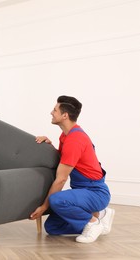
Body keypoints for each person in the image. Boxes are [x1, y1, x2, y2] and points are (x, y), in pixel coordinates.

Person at [30, 95, 115, 243]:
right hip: (82, 191)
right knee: (52, 227)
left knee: (57, 200)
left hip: (95, 193)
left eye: (55, 110)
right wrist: (48, 147)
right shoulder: (66, 135)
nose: (51, 112)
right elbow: (66, 160)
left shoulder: (75, 140)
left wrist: (44, 207)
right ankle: (99, 217)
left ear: (65, 115)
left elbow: (61, 178)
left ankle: (93, 223)